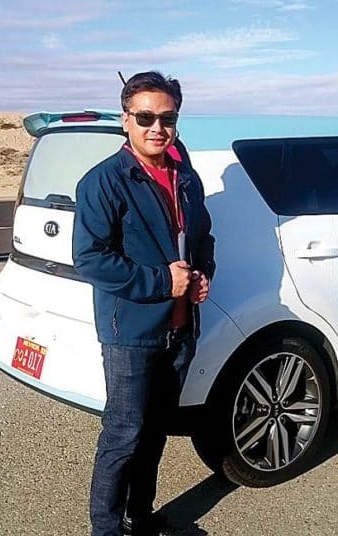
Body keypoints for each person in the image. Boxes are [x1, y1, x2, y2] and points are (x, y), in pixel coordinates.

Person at [73, 71, 215, 536]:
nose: (157, 127)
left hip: (180, 329)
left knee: (155, 431)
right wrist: (163, 282)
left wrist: (201, 274)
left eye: (167, 118)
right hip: (131, 333)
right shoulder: (104, 181)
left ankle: (141, 515)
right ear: (126, 120)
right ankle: (106, 529)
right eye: (146, 117)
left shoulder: (184, 177)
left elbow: (203, 236)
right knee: (123, 435)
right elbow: (90, 259)